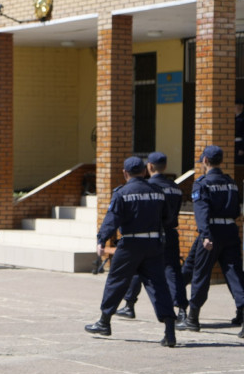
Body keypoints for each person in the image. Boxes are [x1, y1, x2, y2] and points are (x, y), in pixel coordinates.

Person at [83, 156, 178, 346]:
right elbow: (168, 219)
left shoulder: (122, 192)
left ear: (125, 173)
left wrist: (101, 240)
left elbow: (112, 219)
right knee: (158, 285)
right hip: (153, 244)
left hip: (130, 245)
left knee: (116, 282)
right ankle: (169, 330)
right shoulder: (158, 192)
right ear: (144, 171)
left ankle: (104, 322)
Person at [178, 145, 244, 336]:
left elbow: (201, 212)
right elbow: (236, 211)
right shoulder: (231, 182)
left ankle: (193, 318)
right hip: (230, 230)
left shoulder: (202, 183)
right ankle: (241, 314)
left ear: (205, 161)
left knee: (201, 275)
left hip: (212, 233)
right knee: (235, 274)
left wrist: (205, 234)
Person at [115, 152, 188, 320]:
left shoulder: (148, 187)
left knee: (138, 269)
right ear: (165, 166)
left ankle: (129, 304)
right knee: (173, 270)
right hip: (170, 233)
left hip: (151, 235)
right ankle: (182, 309)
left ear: (149, 167)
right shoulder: (175, 187)